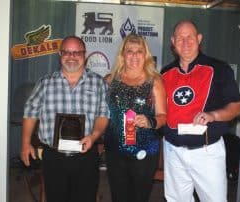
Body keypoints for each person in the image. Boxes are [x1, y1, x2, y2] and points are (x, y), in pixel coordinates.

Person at [160, 20, 240, 202]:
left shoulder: (219, 69)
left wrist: (213, 115)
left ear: (199, 39)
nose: (185, 42)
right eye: (180, 38)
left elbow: (236, 106)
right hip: (173, 151)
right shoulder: (164, 74)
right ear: (173, 41)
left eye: (190, 37)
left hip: (207, 153)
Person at [20, 35, 109, 202]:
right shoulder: (45, 82)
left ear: (85, 55)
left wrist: (94, 135)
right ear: (60, 55)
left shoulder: (99, 84)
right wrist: (25, 143)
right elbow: (30, 112)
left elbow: (104, 115)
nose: (72, 57)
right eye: (67, 52)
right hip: (54, 157)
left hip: (86, 156)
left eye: (77, 52)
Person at [104, 33, 167, 202]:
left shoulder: (154, 81)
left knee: (139, 197)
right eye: (129, 50)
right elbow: (101, 114)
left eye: (139, 51)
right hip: (114, 150)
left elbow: (163, 117)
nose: (134, 55)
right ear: (122, 54)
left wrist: (150, 121)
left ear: (145, 55)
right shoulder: (110, 80)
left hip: (144, 151)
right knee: (118, 197)